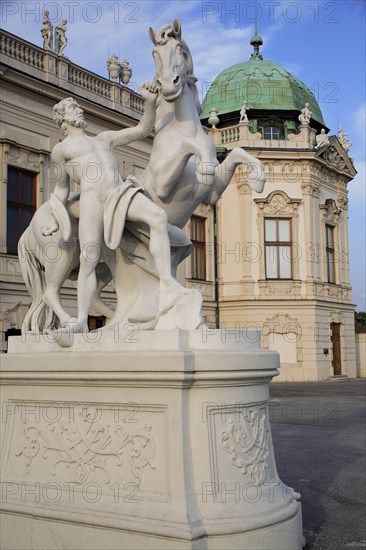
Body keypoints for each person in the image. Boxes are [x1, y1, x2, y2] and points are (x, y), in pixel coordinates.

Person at [42, 83, 190, 332]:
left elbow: (143, 129)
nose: (79, 111)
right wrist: (56, 219)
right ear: (62, 120)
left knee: (158, 216)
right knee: (88, 259)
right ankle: (80, 320)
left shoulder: (104, 139)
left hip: (119, 193)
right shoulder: (62, 150)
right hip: (91, 202)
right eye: (72, 109)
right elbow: (61, 189)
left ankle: (166, 283)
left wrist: (148, 101)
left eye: (78, 108)